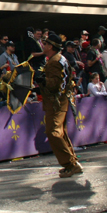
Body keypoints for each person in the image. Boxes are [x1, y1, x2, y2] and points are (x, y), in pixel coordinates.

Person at [36, 33, 82, 178]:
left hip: (55, 101)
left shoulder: (54, 61)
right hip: (63, 99)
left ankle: (71, 164)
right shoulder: (61, 59)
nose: (43, 46)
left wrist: (42, 81)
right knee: (61, 132)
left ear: (50, 46)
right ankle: (72, 161)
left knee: (53, 132)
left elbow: (55, 84)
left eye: (45, 44)